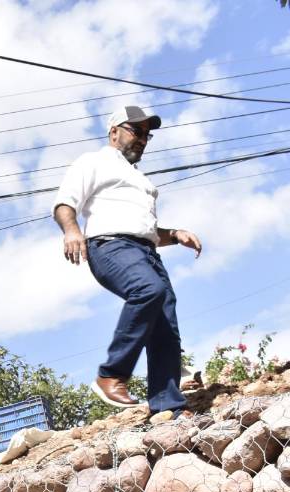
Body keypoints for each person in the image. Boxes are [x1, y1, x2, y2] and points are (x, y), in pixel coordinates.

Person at [52, 105, 203, 422]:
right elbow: (65, 203)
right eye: (136, 131)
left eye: (147, 135)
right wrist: (71, 230)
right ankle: (111, 375)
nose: (143, 139)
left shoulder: (138, 179)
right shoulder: (93, 161)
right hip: (110, 246)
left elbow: (144, 230)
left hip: (145, 251)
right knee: (148, 290)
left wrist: (175, 234)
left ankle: (168, 405)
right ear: (114, 132)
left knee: (166, 325)